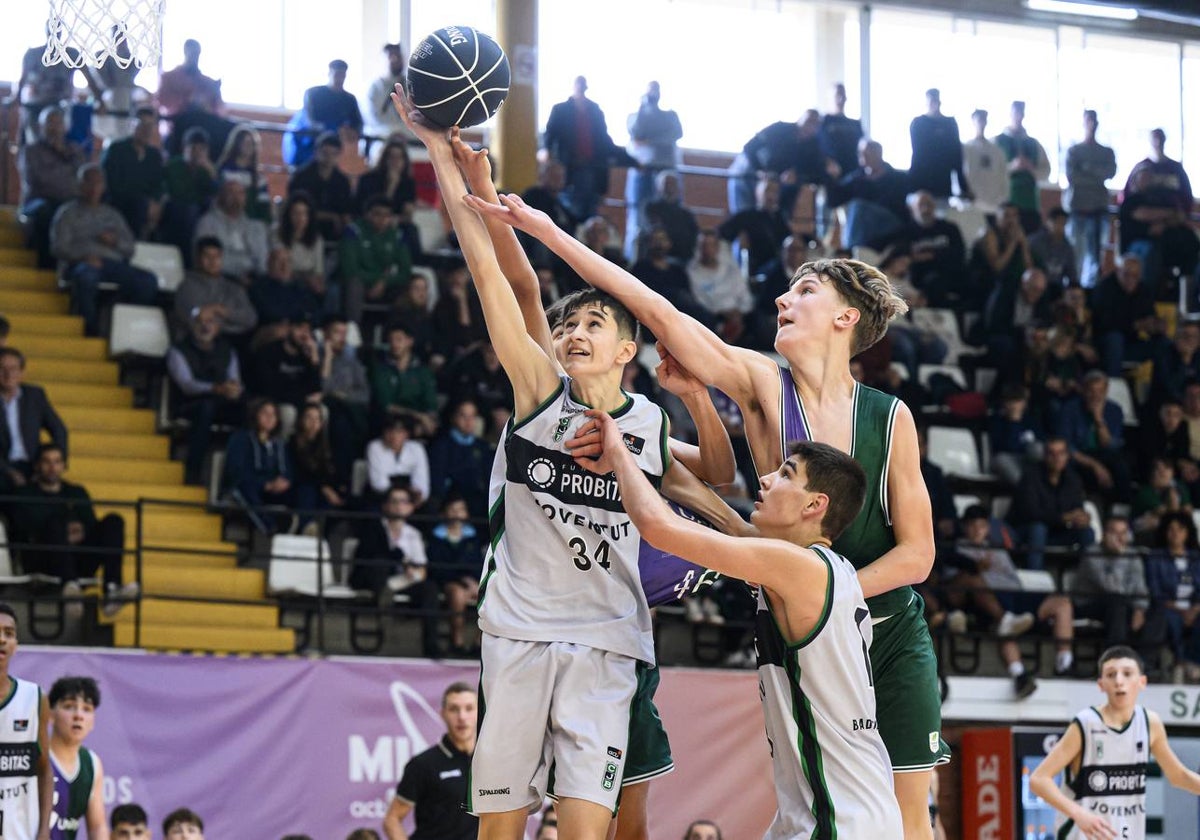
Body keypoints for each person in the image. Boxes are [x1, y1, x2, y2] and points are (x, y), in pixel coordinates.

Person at [468, 189, 946, 837]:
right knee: (811, 804)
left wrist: (831, 595)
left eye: (804, 291)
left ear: (846, 319)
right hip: (794, 626)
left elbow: (917, 555)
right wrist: (547, 230)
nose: (782, 298)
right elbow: (656, 311)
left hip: (884, 626)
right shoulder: (759, 382)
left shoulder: (891, 417)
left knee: (909, 813)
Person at [396, 87, 731, 840]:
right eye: (565, 322)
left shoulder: (645, 420)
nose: (573, 331)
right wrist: (445, 161)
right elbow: (494, 273)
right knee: (500, 832)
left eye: (592, 322)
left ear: (627, 351)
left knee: (594, 830)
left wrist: (699, 399)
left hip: (609, 641)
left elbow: (718, 475)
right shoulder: (538, 395)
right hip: (518, 633)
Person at [575, 412, 903, 837]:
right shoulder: (821, 569)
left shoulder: (799, 568)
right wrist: (686, 406)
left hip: (840, 819)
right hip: (831, 809)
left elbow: (659, 527)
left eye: (786, 474)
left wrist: (618, 453)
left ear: (814, 504)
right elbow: (729, 523)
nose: (765, 480)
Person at [1030, 646, 1200, 839]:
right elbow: (1038, 779)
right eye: (1111, 675)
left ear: (1142, 682)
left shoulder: (1149, 723)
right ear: (1101, 684)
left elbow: (1178, 776)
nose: (1119, 681)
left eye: (1127, 674)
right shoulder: (1086, 724)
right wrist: (1079, 814)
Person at [10, 444, 137, 619]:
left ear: (64, 465)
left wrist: (81, 533)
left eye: (57, 461)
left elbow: (92, 527)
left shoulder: (77, 492)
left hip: (79, 560)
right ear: (37, 465)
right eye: (47, 462)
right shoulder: (25, 495)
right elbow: (24, 531)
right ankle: (70, 587)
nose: (52, 467)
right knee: (54, 524)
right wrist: (61, 531)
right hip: (43, 560)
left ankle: (112, 590)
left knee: (114, 521)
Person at [49, 164, 159, 336]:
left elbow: (130, 249)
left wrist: (115, 242)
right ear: (80, 185)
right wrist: (83, 258)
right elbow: (58, 247)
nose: (94, 188)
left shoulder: (113, 215)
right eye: (89, 182)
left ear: (104, 187)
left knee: (148, 281)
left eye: (98, 183)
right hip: (80, 263)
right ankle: (90, 331)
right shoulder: (67, 213)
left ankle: (118, 320)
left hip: (112, 264)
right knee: (87, 276)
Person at [348, 486, 438, 654]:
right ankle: (384, 608)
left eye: (403, 502)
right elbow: (373, 553)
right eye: (394, 501)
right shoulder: (373, 526)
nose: (398, 506)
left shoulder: (414, 534)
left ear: (411, 508)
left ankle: (431, 647)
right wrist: (403, 560)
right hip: (371, 577)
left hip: (401, 581)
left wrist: (413, 572)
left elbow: (421, 568)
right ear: (386, 506)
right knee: (380, 564)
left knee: (430, 589)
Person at [382, 682, 478, 840]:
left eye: (469, 708)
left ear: (480, 712)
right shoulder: (423, 764)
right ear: (443, 714)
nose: (462, 717)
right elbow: (391, 820)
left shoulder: (490, 763)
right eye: (454, 709)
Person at [167, 309, 243, 485]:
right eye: (200, 322)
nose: (205, 327)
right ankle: (193, 470)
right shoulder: (178, 351)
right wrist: (215, 388)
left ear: (218, 328)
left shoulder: (227, 350)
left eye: (210, 322)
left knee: (250, 409)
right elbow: (187, 385)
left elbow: (235, 379)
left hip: (221, 402)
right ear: (192, 325)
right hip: (189, 404)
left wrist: (234, 389)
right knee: (205, 410)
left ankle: (236, 477)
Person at [0, 602, 54, 839]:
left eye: (9, 633)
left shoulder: (34, 698)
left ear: (15, 645)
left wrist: (44, 830)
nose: (2, 639)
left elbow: (44, 770)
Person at [542, 76, 625, 221]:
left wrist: (630, 160)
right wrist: (548, 153)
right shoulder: (561, 110)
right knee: (568, 213)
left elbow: (604, 140)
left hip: (592, 168)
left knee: (591, 214)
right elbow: (550, 135)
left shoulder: (595, 110)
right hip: (569, 169)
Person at [19, 105, 86, 268]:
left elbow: (84, 179)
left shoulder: (75, 150)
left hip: (70, 201)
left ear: (65, 126)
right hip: (39, 201)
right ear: (41, 126)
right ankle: (46, 267)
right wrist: (66, 176)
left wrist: (63, 156)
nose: (54, 127)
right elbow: (37, 180)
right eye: (50, 123)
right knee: (48, 211)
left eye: (58, 123)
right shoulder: (31, 151)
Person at [624, 81, 683, 262]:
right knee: (638, 217)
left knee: (671, 217)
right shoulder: (635, 115)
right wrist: (644, 106)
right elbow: (636, 131)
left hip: (667, 170)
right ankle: (634, 259)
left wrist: (648, 139)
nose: (653, 94)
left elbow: (675, 134)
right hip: (642, 174)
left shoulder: (671, 116)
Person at [0, 347, 68, 491]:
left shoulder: (35, 395)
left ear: (22, 372)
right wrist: (8, 471)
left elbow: (59, 430)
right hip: (2, 466)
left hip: (33, 464)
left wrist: (57, 463)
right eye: (2, 369)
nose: (8, 374)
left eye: (14, 369)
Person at [47, 676, 107, 840]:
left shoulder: (92, 763)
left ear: (93, 721)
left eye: (87, 709)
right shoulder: (35, 755)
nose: (78, 715)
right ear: (50, 714)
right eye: (69, 707)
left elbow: (97, 827)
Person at [1064, 110, 1117, 289]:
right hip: (1078, 210)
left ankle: (1090, 293)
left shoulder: (1106, 152)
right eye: (1088, 120)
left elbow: (1110, 173)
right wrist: (1096, 173)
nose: (1091, 124)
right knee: (1075, 257)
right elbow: (1072, 176)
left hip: (1099, 211)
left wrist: (1086, 169)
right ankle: (1075, 290)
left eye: (1094, 121)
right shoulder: (1074, 151)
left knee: (1096, 258)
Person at [173, 237, 258, 339]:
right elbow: (192, 314)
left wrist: (222, 311)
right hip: (195, 342)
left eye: (217, 256)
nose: (212, 261)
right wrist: (230, 321)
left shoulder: (234, 287)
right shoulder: (187, 285)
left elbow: (251, 318)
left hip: (229, 341)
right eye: (207, 256)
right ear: (198, 258)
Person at [193, 179, 270, 284]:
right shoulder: (207, 223)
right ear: (221, 196)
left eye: (240, 193)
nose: (236, 198)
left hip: (255, 280)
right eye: (231, 192)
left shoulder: (256, 227)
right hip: (221, 279)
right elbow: (206, 260)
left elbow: (263, 261)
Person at [994, 101, 1051, 232]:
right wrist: (1012, 167)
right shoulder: (998, 141)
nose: (1018, 116)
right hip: (1006, 202)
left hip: (1030, 203)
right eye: (1015, 112)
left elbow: (1046, 172)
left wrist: (1030, 168)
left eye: (1021, 112)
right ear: (1010, 114)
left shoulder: (1034, 143)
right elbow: (992, 173)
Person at [909, 89, 970, 200]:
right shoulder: (918, 123)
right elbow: (918, 154)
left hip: (943, 181)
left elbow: (957, 157)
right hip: (921, 180)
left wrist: (963, 186)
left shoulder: (950, 124)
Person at [365, 416, 430, 507]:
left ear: (407, 434)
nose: (394, 436)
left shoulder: (416, 448)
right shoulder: (375, 447)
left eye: (399, 432)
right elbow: (378, 483)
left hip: (410, 495)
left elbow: (421, 479)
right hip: (382, 495)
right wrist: (399, 498)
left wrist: (417, 496)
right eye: (389, 431)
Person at [364, 44, 414, 146]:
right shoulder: (375, 87)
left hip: (411, 140)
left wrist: (403, 133)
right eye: (391, 56)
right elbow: (373, 118)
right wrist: (393, 133)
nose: (395, 60)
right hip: (383, 140)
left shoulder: (412, 85)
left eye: (398, 56)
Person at [156, 39, 222, 116]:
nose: (194, 57)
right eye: (192, 53)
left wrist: (214, 92)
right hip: (178, 121)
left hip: (203, 121)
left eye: (196, 54)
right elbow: (162, 102)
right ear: (185, 52)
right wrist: (186, 101)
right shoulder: (169, 78)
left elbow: (217, 109)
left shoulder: (208, 82)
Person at [962, 109, 1009, 212]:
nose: (981, 123)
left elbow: (1004, 176)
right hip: (972, 204)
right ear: (973, 121)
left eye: (983, 119)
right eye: (978, 119)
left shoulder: (997, 151)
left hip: (993, 204)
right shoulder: (965, 148)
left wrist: (1002, 198)